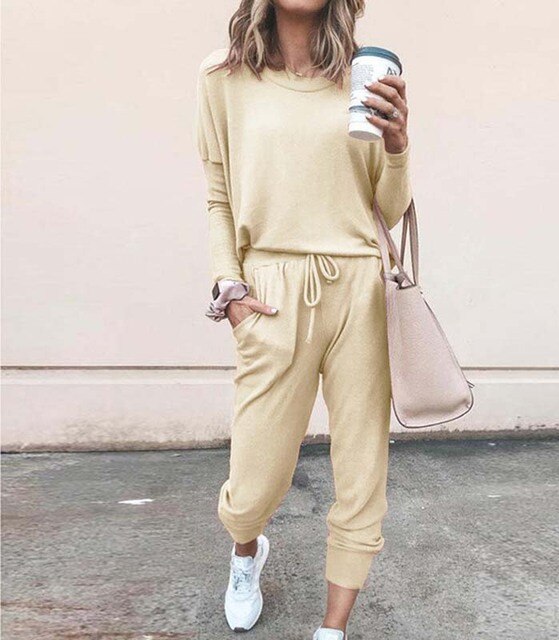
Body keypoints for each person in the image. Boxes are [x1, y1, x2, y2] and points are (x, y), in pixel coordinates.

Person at [194, 1, 412, 637]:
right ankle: (246, 550)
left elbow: (389, 209)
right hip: (271, 290)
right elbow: (218, 193)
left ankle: (333, 628)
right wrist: (230, 287)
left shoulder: (366, 73)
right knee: (254, 479)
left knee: (362, 469)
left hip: (360, 286)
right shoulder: (223, 77)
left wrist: (398, 146)